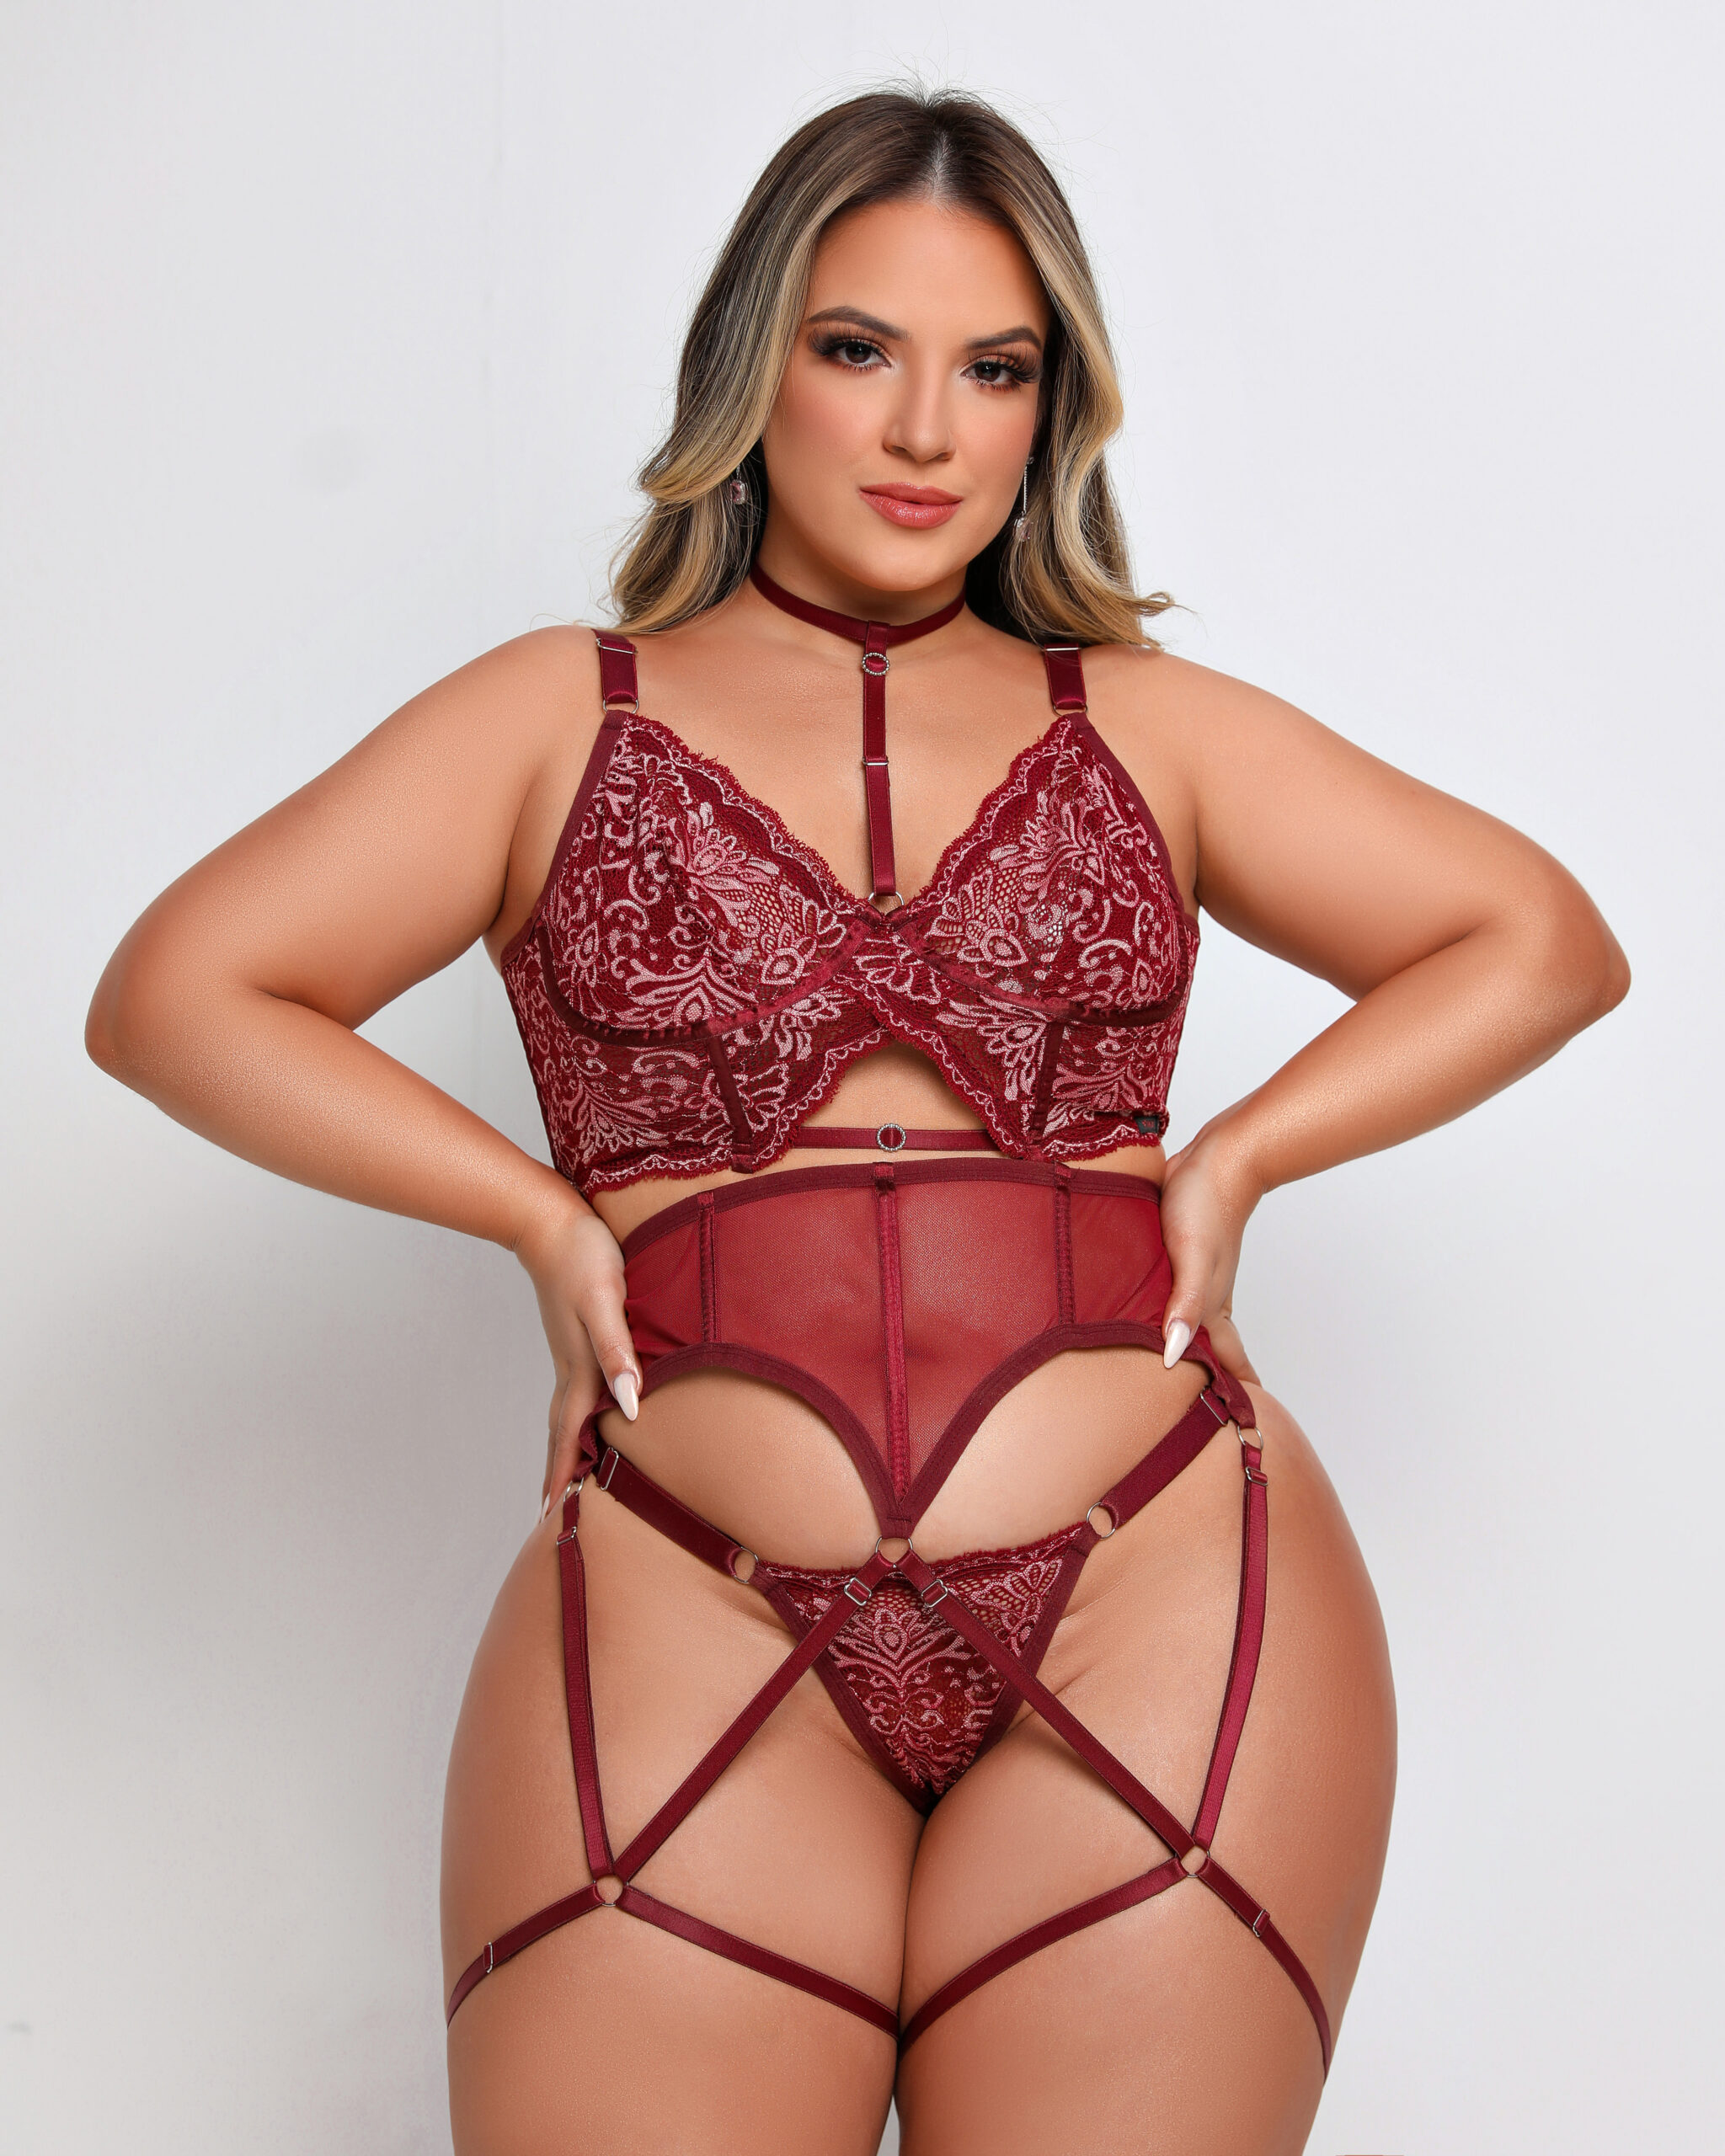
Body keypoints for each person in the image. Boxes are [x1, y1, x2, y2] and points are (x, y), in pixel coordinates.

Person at [86, 87, 1628, 2156]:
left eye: (995, 369)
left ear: (1051, 408)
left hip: (1162, 1577)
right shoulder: (558, 710)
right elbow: (175, 996)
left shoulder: (1140, 720)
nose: (924, 432)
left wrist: (1239, 1154)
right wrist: (538, 1214)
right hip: (686, 1597)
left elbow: (1538, 939)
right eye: (857, 349)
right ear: (754, 369)